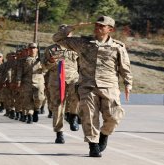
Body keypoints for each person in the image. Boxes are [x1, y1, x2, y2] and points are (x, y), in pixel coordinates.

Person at [53, 15, 132, 157]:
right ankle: (93, 145)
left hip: (109, 86)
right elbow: (57, 39)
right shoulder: (83, 42)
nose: (98, 28)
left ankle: (104, 134)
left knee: (114, 116)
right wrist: (73, 26)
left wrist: (128, 84)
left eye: (102, 26)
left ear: (110, 29)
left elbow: (124, 67)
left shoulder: (117, 47)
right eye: (96, 25)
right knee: (89, 116)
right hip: (87, 86)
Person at [43, 25, 80, 144]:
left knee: (77, 96)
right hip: (56, 80)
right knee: (58, 106)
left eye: (69, 34)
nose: (68, 36)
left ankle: (73, 115)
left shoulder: (76, 49)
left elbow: (82, 65)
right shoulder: (51, 49)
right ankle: (59, 133)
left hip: (73, 78)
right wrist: (50, 62)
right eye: (65, 33)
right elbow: (44, 66)